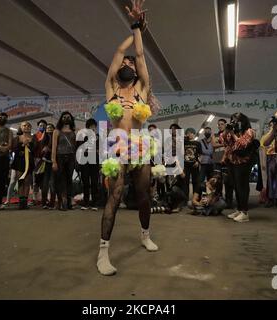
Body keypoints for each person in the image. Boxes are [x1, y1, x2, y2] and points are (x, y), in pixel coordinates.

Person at [97, 0, 157, 276]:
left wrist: (139, 32)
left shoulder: (143, 91)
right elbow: (121, 50)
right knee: (116, 196)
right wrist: (134, 27)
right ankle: (103, 252)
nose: (128, 62)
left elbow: (141, 55)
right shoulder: (111, 88)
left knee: (143, 196)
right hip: (117, 148)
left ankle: (145, 235)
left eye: (131, 62)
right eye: (125, 62)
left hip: (141, 148)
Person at [221, 113, 256, 223]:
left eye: (236, 120)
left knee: (242, 187)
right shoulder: (233, 131)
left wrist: (233, 134)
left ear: (243, 121)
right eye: (232, 120)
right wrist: (227, 131)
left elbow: (242, 144)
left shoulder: (249, 131)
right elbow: (224, 141)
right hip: (232, 162)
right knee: (236, 186)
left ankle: (245, 212)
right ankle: (240, 209)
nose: (234, 122)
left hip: (243, 163)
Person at [52, 112, 77, 211]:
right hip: (60, 157)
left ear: (71, 119)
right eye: (64, 117)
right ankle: (62, 202)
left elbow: (75, 147)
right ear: (61, 119)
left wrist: (75, 160)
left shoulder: (73, 131)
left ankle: (69, 202)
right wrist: (54, 161)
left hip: (71, 157)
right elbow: (54, 147)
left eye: (68, 117)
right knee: (60, 180)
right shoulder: (56, 131)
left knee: (69, 180)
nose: (66, 118)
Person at [11, 122, 35, 210]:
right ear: (21, 127)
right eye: (24, 125)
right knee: (20, 181)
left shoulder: (33, 138)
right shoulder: (17, 138)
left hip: (30, 162)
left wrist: (29, 145)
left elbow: (36, 150)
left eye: (29, 125)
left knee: (27, 182)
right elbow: (13, 149)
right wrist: (22, 145)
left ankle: (25, 202)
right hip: (19, 162)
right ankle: (21, 202)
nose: (26, 127)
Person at [78, 119, 100, 211]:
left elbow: (101, 150)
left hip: (94, 162)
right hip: (84, 162)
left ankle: (94, 203)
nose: (92, 128)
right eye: (91, 126)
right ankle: (86, 203)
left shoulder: (98, 136)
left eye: (94, 126)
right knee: (86, 182)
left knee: (94, 183)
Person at [213, 119, 234, 208]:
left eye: (222, 124)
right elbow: (214, 145)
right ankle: (219, 201)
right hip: (217, 161)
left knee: (228, 182)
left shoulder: (229, 134)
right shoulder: (215, 135)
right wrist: (224, 144)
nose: (220, 125)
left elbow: (231, 144)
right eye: (219, 124)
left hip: (227, 161)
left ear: (225, 125)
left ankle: (229, 202)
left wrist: (222, 143)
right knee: (217, 182)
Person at [40, 123, 57, 209]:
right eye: (47, 128)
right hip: (45, 163)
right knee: (45, 184)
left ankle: (52, 203)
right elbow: (40, 151)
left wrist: (49, 149)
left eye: (51, 127)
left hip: (53, 163)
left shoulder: (57, 138)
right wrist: (43, 150)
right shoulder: (44, 139)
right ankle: (44, 202)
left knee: (52, 183)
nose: (49, 129)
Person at [183, 128, 202, 203]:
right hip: (186, 164)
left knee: (195, 182)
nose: (189, 134)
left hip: (195, 164)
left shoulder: (197, 143)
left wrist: (198, 161)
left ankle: (195, 198)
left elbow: (200, 154)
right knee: (185, 182)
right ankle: (185, 199)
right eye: (188, 133)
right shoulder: (184, 142)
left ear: (194, 134)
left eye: (191, 133)